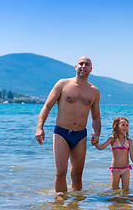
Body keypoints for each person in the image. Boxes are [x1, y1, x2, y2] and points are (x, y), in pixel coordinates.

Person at [35, 56, 101, 194]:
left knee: (77, 176)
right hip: (62, 133)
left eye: (87, 64)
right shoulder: (62, 84)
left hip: (80, 135)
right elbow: (47, 106)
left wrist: (97, 134)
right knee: (60, 172)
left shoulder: (94, 91)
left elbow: (95, 117)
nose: (83, 66)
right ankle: (59, 204)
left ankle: (74, 209)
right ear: (75, 66)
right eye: (81, 63)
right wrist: (40, 127)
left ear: (91, 69)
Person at [92, 117, 133, 190]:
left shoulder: (129, 141)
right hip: (115, 169)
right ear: (116, 126)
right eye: (123, 125)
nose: (125, 127)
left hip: (126, 169)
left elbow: (132, 154)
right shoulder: (112, 139)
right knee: (114, 189)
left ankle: (124, 201)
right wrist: (95, 143)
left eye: (127, 125)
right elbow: (101, 147)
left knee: (126, 190)